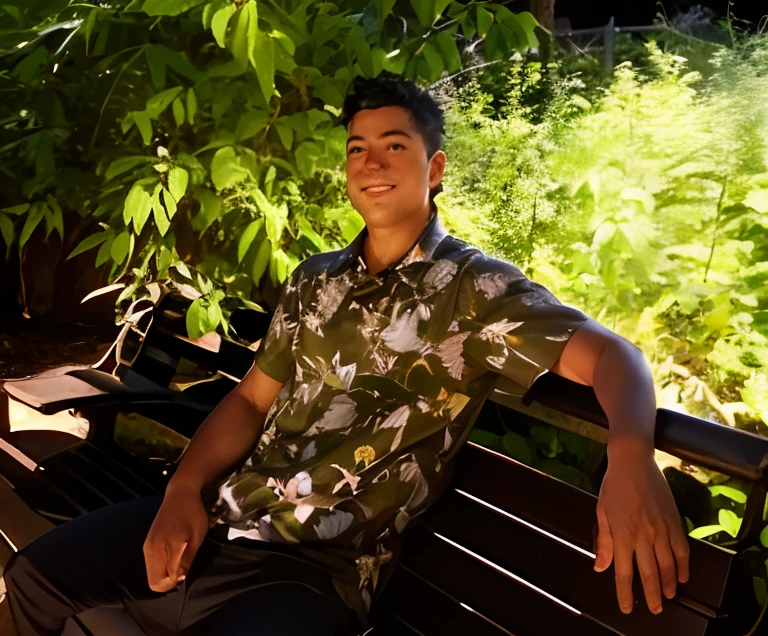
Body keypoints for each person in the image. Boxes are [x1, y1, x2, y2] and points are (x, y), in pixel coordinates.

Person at [3, 76, 689, 635]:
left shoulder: (475, 292)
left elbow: (615, 357)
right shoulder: (315, 279)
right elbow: (248, 401)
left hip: (316, 572)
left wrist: (631, 455)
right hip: (222, 521)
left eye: (394, 145)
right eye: (358, 148)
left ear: (436, 168)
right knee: (33, 577)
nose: (371, 163)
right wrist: (183, 492)